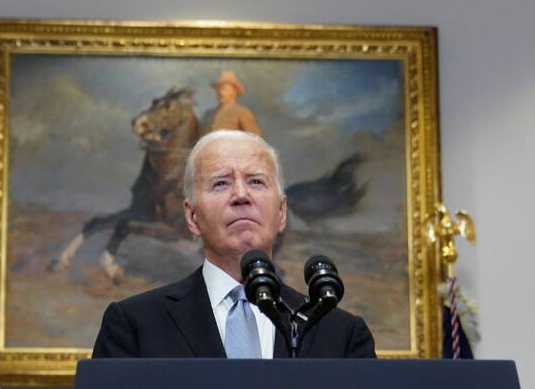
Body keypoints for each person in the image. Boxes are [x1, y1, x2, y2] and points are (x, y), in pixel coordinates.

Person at [92, 130, 375, 358]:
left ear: (281, 213)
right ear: (192, 217)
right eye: (221, 184)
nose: (241, 195)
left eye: (255, 182)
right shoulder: (134, 326)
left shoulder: (341, 336)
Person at [203, 70, 262, 136]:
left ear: (235, 91)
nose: (220, 92)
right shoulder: (208, 114)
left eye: (224, 89)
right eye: (218, 89)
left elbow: (255, 140)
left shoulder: (242, 113)